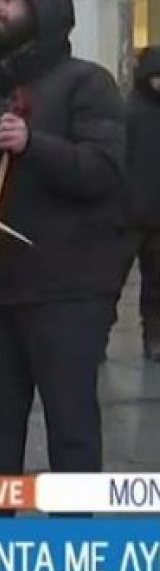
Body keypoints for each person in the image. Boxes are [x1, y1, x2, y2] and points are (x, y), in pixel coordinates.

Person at [0, 0, 128, 508]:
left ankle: (73, 540)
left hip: (65, 289)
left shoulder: (86, 83)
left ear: (44, 9)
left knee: (70, 423)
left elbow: (104, 171)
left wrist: (34, 145)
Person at [126, 44, 160, 362]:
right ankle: (98, 334)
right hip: (129, 215)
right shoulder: (131, 111)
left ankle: (153, 336)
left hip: (156, 217)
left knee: (155, 283)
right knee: (111, 280)